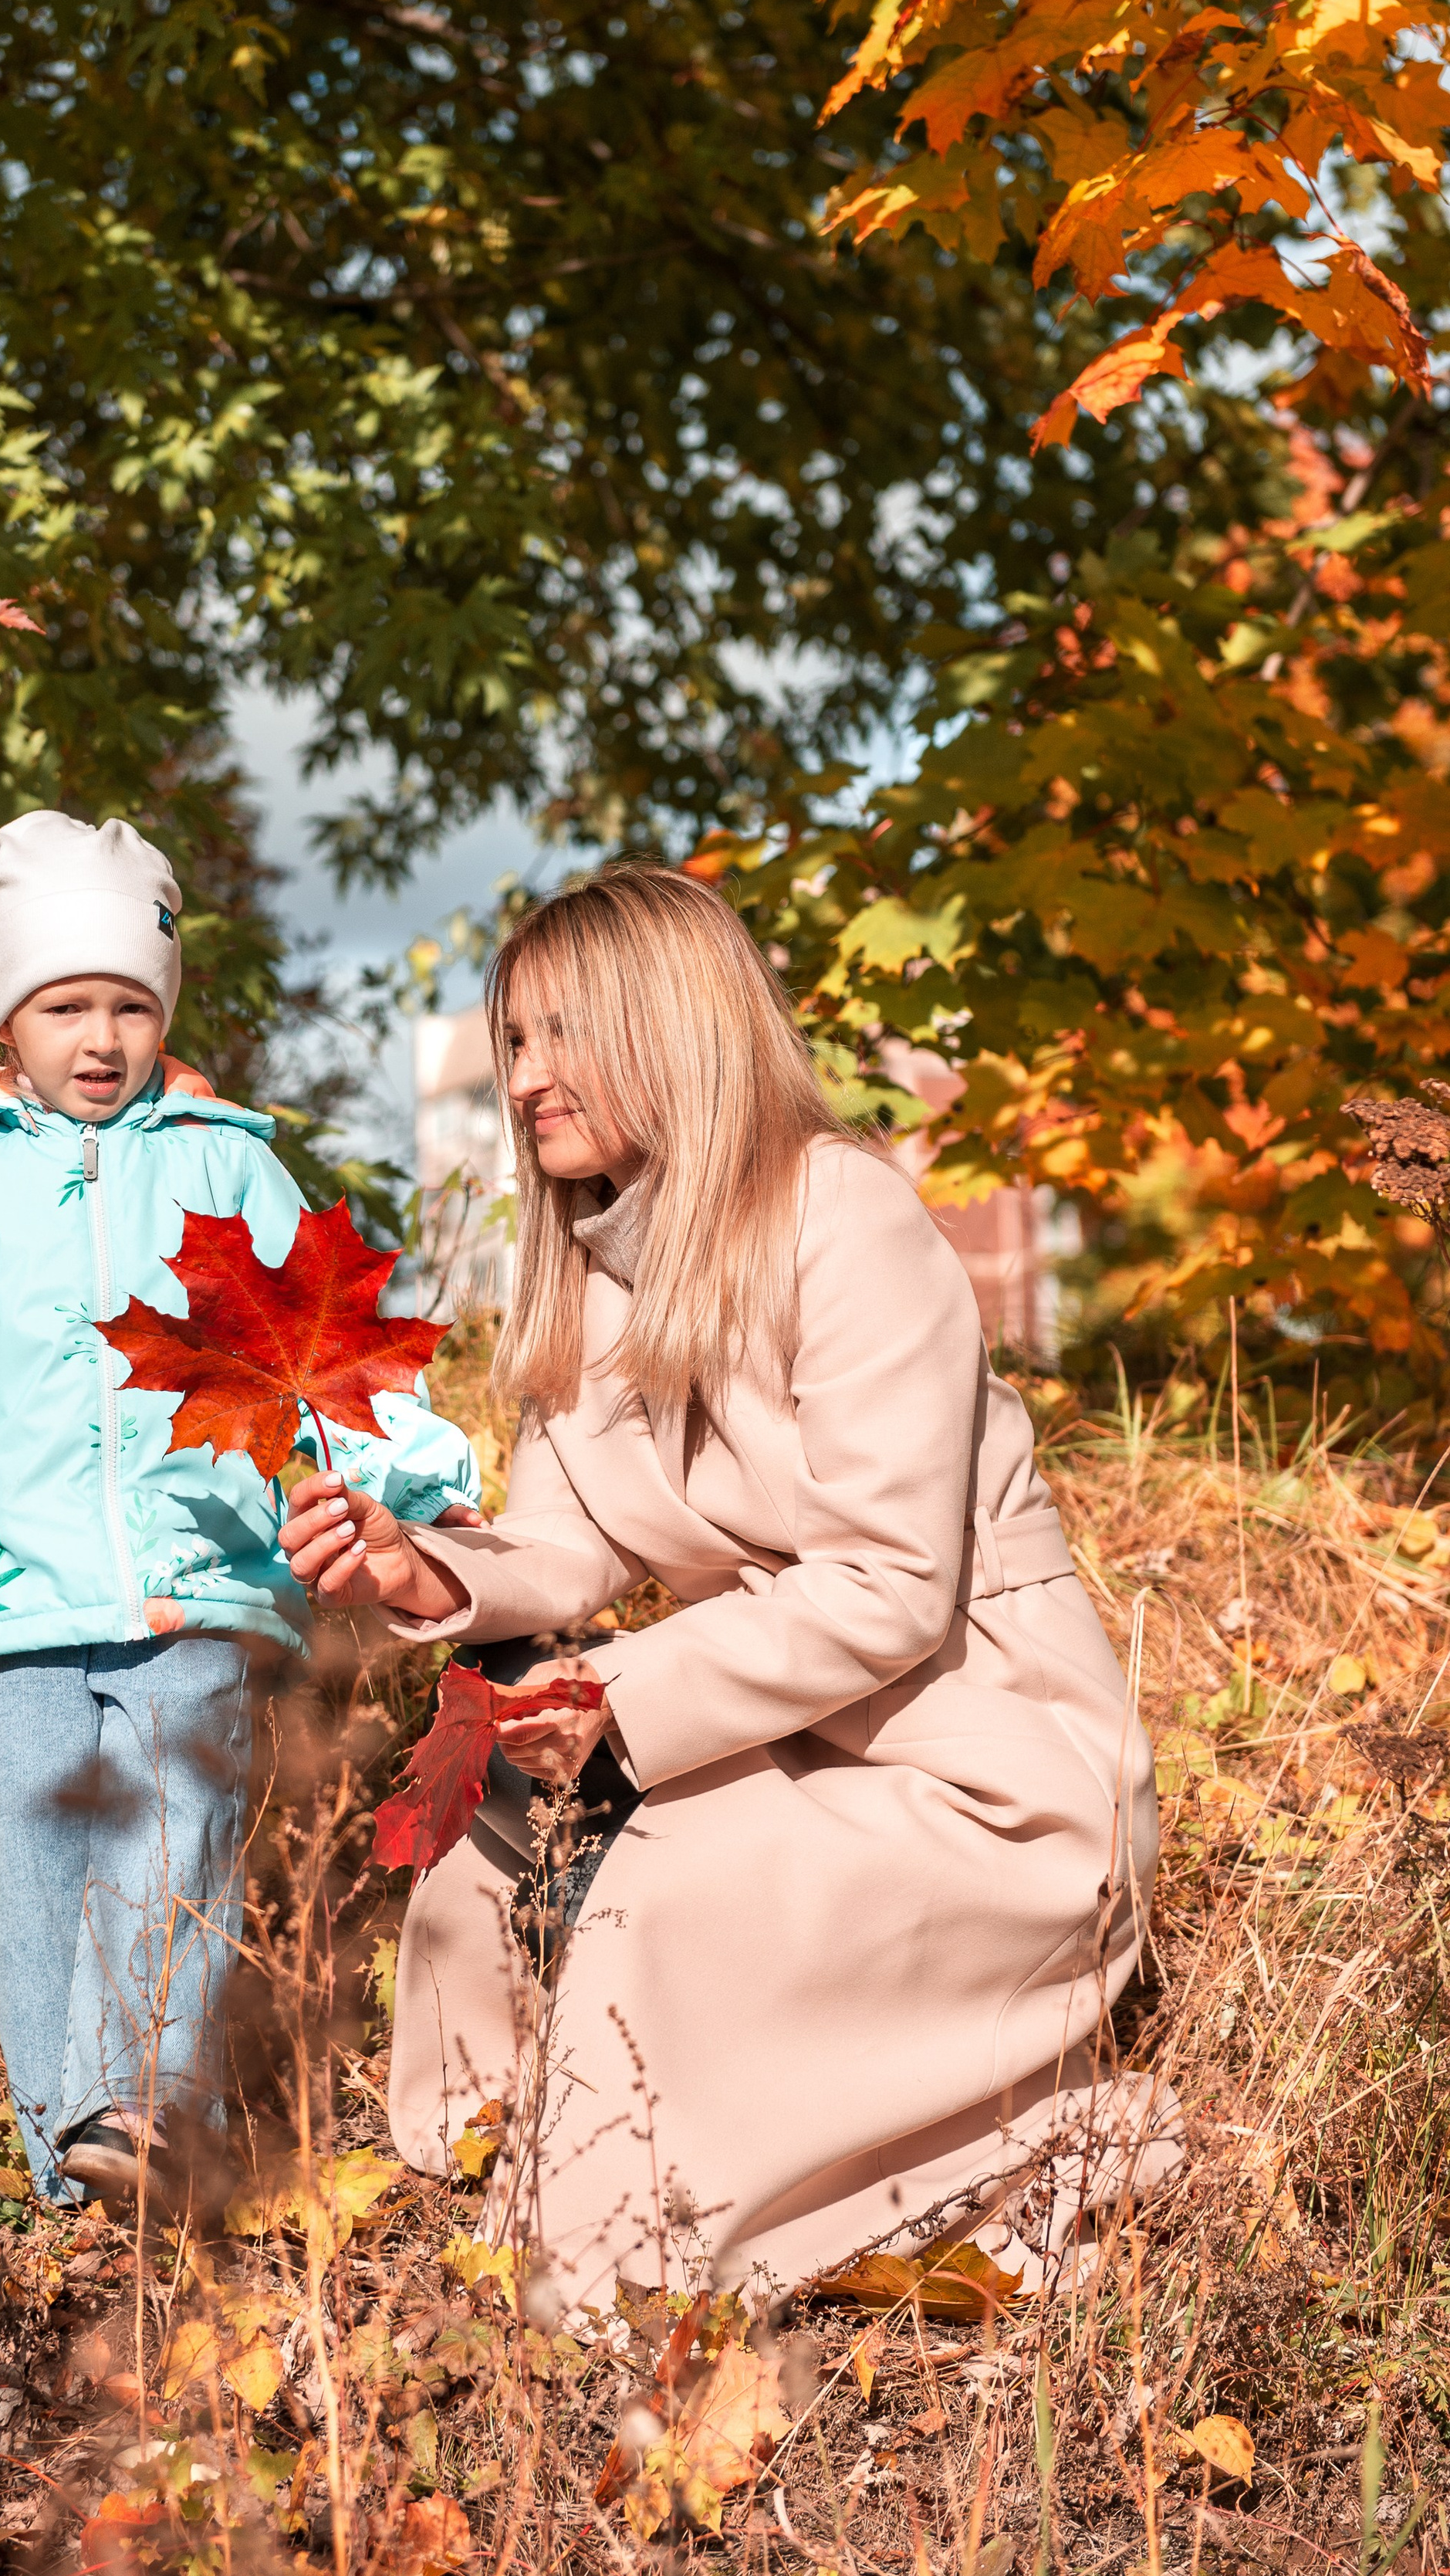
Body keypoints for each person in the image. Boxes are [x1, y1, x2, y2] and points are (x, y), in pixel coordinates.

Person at [282, 863, 1175, 2300]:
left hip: (990, 1768)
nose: (523, 1079)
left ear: (673, 1024)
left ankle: (627, 2256)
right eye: (511, 1043)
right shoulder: (583, 1270)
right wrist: (424, 1567)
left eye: (560, 1035)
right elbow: (567, 1542)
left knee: (654, 1893)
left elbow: (887, 1586)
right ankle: (491, 2177)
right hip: (785, 1732)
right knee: (482, 1828)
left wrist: (605, 1697)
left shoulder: (845, 1217)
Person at [0, 809, 479, 2202]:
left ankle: (136, 2106)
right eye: (64, 1004)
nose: (100, 1038)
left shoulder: (222, 1164)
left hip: (195, 1580)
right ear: (8, 1015)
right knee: (28, 1850)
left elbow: (309, 1362)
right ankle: (72, 2164)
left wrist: (421, 1470)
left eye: (131, 1004)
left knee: (171, 1821)